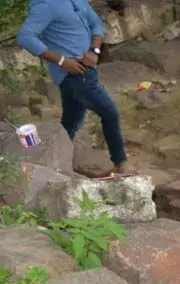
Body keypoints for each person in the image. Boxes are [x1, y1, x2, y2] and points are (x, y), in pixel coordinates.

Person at [17, 0, 133, 175]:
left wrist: (95, 51)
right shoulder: (45, 5)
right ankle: (121, 163)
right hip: (74, 75)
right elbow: (25, 37)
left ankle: (52, 164)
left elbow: (95, 24)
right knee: (110, 112)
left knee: (70, 123)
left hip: (87, 70)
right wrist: (62, 61)